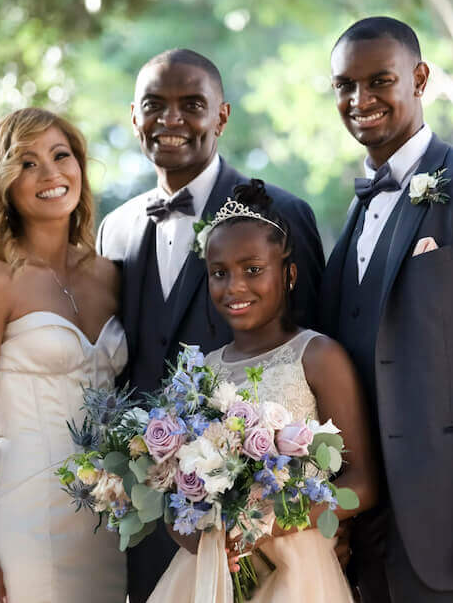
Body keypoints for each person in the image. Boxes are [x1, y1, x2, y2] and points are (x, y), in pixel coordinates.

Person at [96, 48, 326, 602]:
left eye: (191, 105)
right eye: (155, 105)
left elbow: (314, 358)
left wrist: (323, 520)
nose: (171, 120)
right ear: (134, 116)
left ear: (221, 116)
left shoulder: (278, 213)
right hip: (153, 525)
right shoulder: (116, 228)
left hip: (264, 538)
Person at [320, 16, 453, 603]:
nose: (361, 100)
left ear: (420, 78)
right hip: (366, 526)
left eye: (379, 80)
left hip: (451, 515)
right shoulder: (353, 213)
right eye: (345, 86)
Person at [145, 179, 377, 603]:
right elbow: (171, 494)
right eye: (220, 273)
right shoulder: (201, 373)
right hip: (211, 571)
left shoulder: (317, 356)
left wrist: (268, 525)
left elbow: (364, 481)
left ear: (288, 275)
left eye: (253, 270)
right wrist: (203, 540)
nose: (234, 287)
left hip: (299, 570)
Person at [0, 108, 127, 603]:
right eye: (27, 163)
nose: (50, 174)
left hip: (110, 521)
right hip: (22, 517)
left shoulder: (110, 275)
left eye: (60, 155)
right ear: (3, 183)